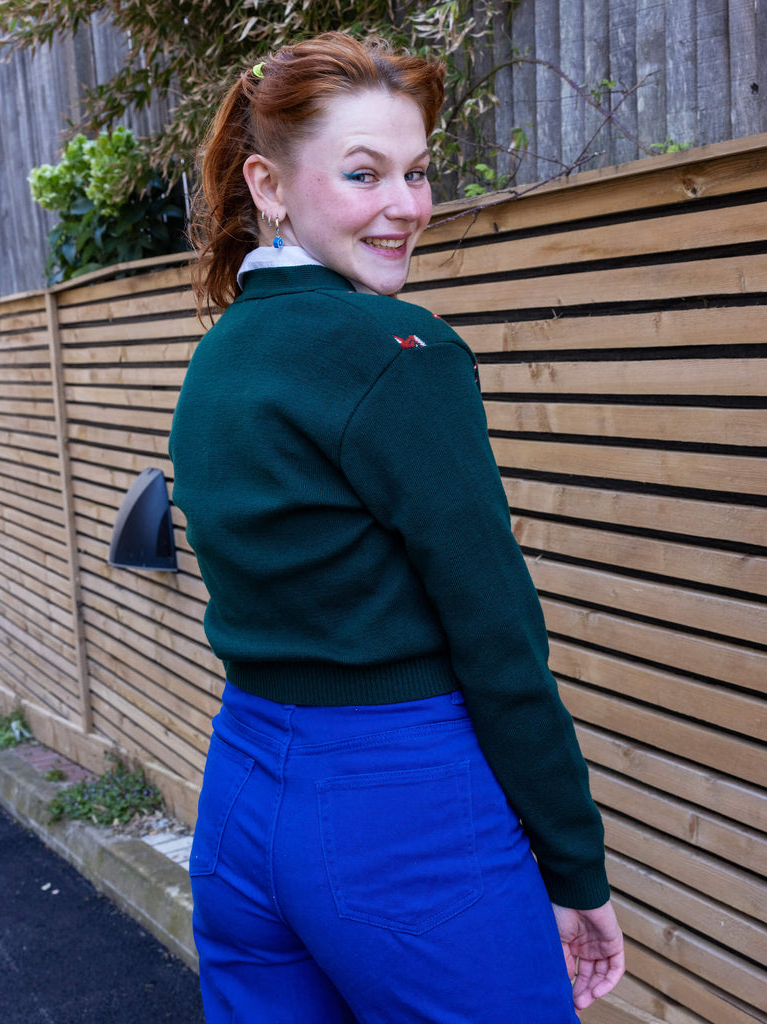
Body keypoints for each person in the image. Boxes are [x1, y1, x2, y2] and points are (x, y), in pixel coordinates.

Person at [169, 31, 624, 1024]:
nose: (407, 206)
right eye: (364, 172)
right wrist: (576, 870)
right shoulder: (397, 351)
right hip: (399, 809)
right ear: (271, 184)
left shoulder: (220, 357)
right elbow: (499, 637)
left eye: (417, 173)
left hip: (243, 791)